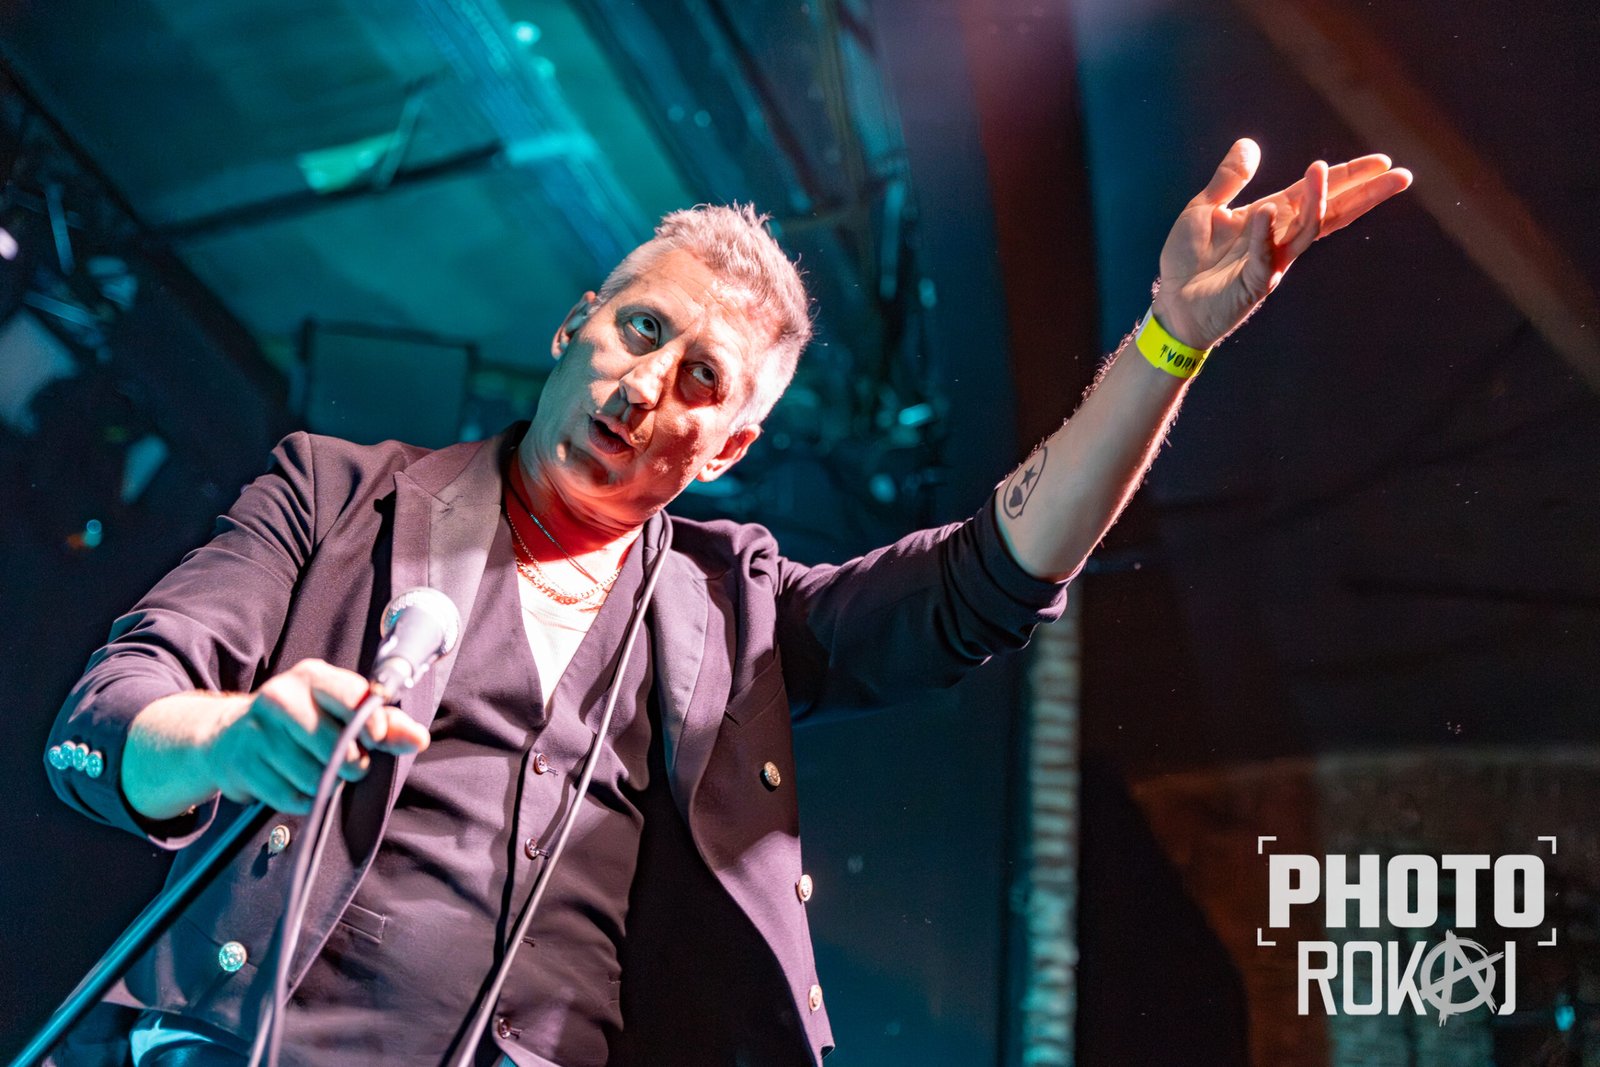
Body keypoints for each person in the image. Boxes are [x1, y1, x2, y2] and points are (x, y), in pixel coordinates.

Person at [44, 139, 1410, 1066]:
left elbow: (983, 583)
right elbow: (105, 721)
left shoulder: (732, 612)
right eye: (640, 330)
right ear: (576, 324)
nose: (648, 385)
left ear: (731, 447)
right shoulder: (336, 497)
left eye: (702, 378)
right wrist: (230, 741)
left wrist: (1169, 343)